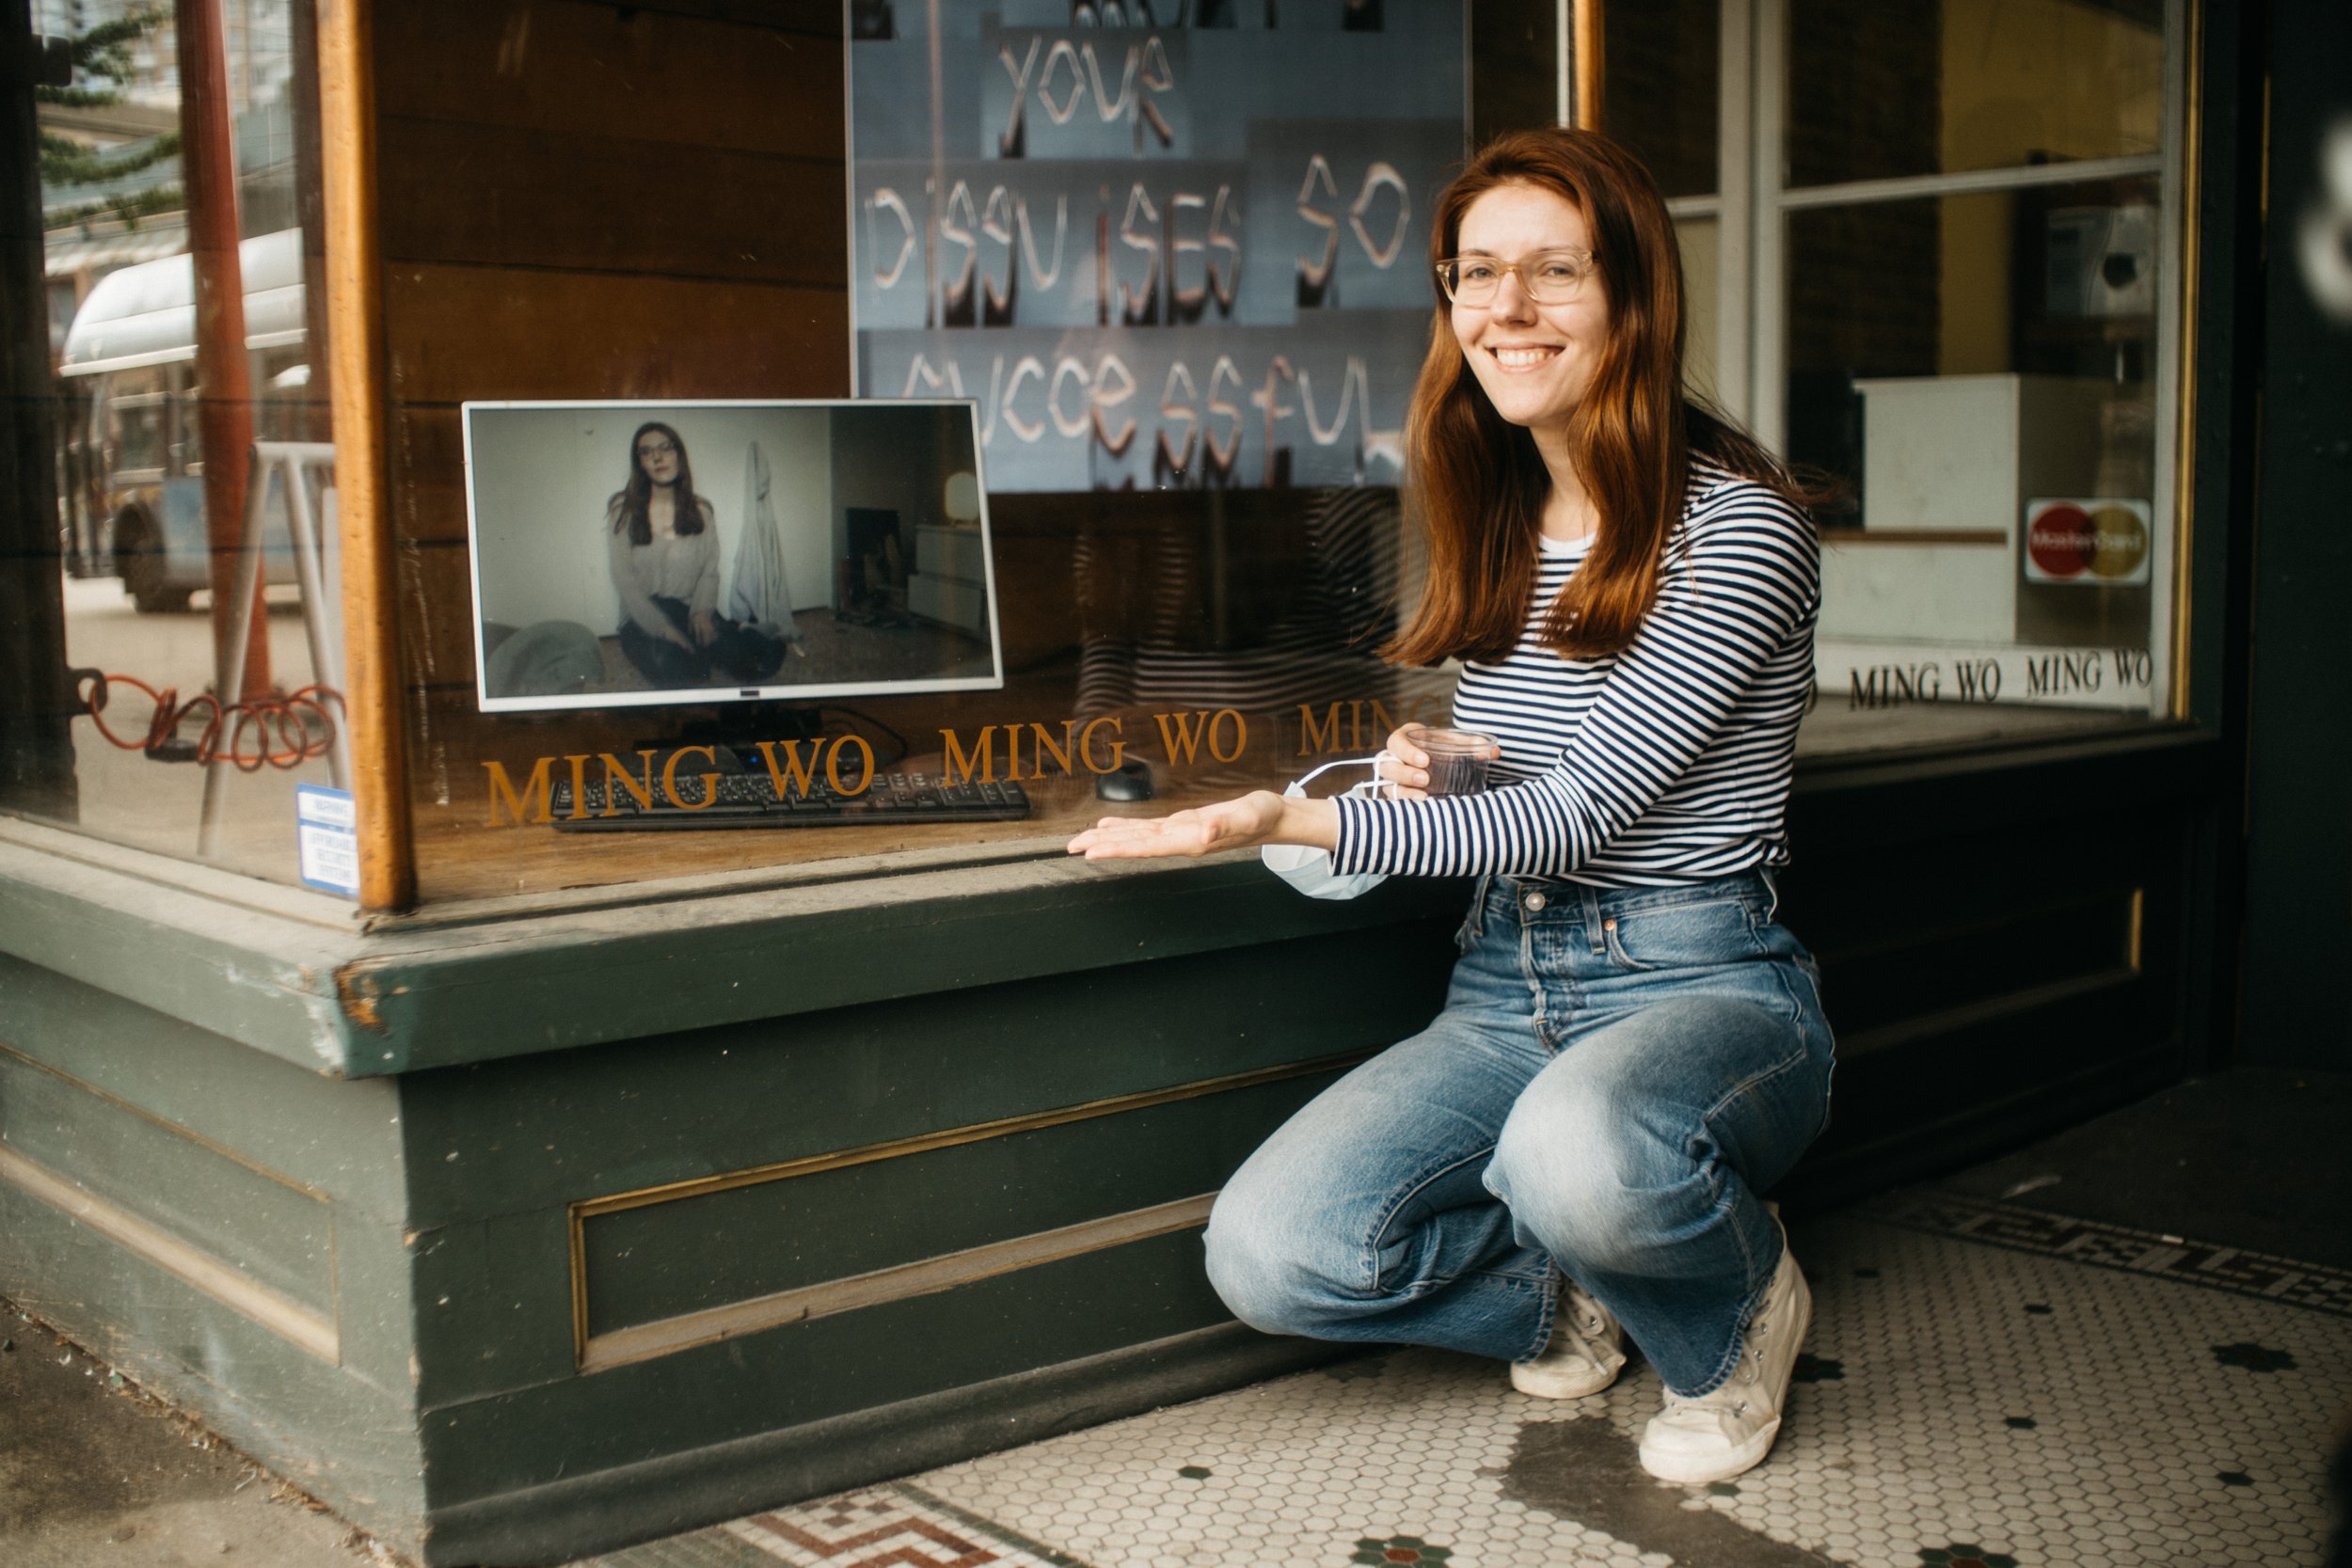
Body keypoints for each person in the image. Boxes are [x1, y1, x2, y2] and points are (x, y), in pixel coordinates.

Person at [1067, 127, 1836, 1486]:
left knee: (1574, 1145)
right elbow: (1516, 790)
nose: (1506, 310)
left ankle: (1733, 1314)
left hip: (1699, 977)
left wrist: (1265, 817)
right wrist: (1432, 764)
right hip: (1502, 981)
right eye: (1477, 273)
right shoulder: (1498, 513)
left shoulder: (1740, 527)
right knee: (1271, 1251)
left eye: (1554, 273)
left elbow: (1578, 816)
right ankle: (1576, 1291)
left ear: (1634, 299)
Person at [608, 421, 786, 688]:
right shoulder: (624, 510)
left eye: (665, 448)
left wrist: (702, 612)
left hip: (690, 609)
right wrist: (663, 629)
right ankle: (703, 647)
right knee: (673, 670)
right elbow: (625, 581)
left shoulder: (701, 510)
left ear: (679, 454)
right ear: (640, 464)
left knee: (766, 658)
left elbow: (709, 571)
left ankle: (732, 636)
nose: (657, 457)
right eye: (646, 452)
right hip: (642, 617)